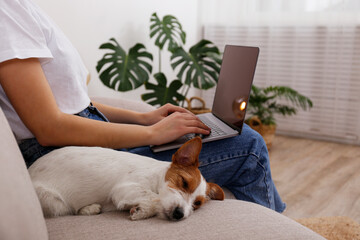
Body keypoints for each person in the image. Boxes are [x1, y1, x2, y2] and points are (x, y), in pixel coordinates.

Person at [0, 0, 286, 213]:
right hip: (72, 155)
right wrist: (153, 135)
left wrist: (145, 119)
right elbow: (49, 127)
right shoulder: (8, 14)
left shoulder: (21, 9)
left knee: (235, 136)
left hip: (85, 138)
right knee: (248, 145)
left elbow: (73, 101)